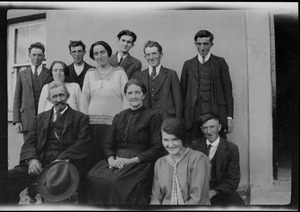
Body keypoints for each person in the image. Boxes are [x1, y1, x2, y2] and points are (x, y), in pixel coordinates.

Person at [7, 81, 92, 204]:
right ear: (49, 99)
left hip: (65, 166)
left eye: (61, 95)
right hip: (40, 164)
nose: (58, 99)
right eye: (54, 96)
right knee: (8, 179)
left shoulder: (80, 118)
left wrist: (62, 159)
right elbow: (29, 143)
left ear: (68, 96)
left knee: (56, 193)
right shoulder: (40, 118)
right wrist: (32, 159)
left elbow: (83, 143)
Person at [85, 79, 164, 205]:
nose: (134, 96)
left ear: (143, 95)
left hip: (140, 161)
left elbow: (157, 147)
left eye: (137, 92)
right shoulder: (119, 116)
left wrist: (132, 160)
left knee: (115, 181)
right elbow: (108, 144)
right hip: (116, 159)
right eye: (130, 93)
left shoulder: (153, 116)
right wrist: (111, 160)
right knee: (92, 176)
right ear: (126, 96)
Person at [81, 41, 128, 169]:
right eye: (96, 53)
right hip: (93, 125)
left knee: (112, 157)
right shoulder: (89, 74)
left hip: (114, 124)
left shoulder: (120, 73)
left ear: (108, 53)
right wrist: (84, 122)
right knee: (94, 157)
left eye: (102, 52)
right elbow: (84, 97)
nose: (99, 56)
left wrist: (122, 120)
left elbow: (126, 97)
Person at [180, 30, 234, 143]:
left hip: (216, 112)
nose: (202, 48)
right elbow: (182, 94)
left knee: (217, 146)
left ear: (211, 44)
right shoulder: (188, 65)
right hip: (193, 114)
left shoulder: (220, 63)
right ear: (195, 44)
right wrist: (182, 118)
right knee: (194, 147)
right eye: (199, 44)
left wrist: (229, 117)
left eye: (206, 44)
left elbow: (228, 91)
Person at [150, 118, 211, 205]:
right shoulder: (159, 163)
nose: (170, 145)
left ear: (182, 138)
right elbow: (155, 198)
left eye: (174, 139)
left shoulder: (199, 159)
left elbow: (198, 198)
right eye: (166, 140)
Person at [190, 113, 245, 206]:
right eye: (205, 128)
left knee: (236, 204)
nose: (209, 131)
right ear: (201, 130)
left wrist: (213, 192)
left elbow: (233, 180)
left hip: (221, 192)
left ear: (219, 127)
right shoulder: (195, 146)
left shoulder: (231, 149)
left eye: (212, 127)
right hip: (198, 192)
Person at [13, 42, 52, 142]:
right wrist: (17, 120)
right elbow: (17, 98)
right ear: (29, 55)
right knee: (28, 149)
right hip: (27, 119)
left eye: (39, 55)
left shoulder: (49, 74)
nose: (36, 58)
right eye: (34, 55)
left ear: (43, 56)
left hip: (45, 119)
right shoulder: (22, 74)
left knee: (44, 147)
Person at [134, 40, 183, 120]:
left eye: (154, 53)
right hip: (146, 121)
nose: (151, 57)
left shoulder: (171, 74)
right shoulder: (139, 76)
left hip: (167, 119)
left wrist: (176, 122)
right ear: (145, 57)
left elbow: (178, 102)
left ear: (161, 55)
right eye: (148, 55)